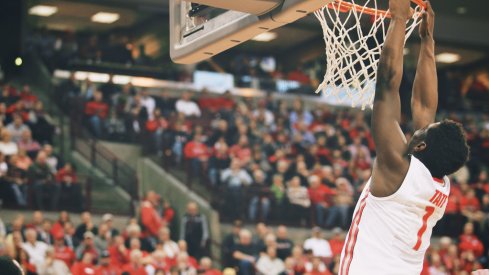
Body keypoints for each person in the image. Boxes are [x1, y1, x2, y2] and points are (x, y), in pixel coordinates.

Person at [338, 1, 470, 274]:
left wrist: (398, 19)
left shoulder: (397, 166)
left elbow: (387, 84)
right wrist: (427, 41)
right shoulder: (440, 185)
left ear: (420, 145)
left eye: (422, 130)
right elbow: (423, 105)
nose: (419, 125)